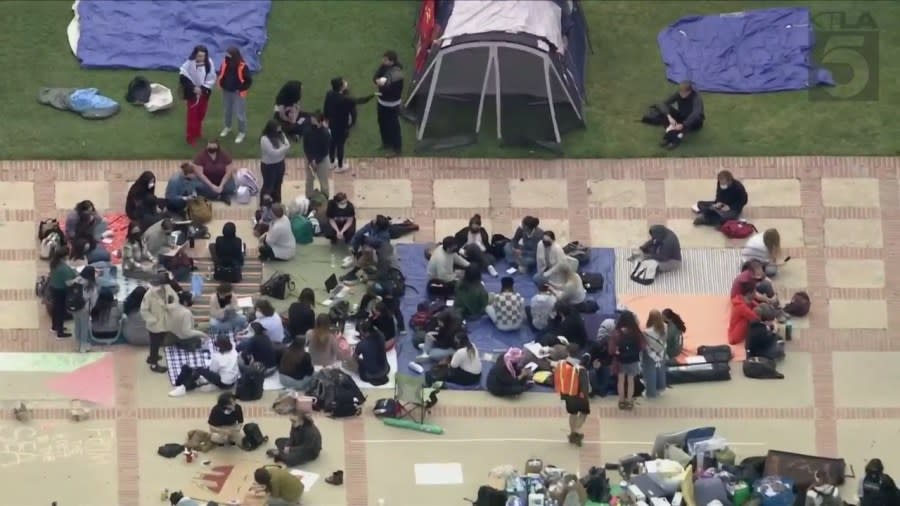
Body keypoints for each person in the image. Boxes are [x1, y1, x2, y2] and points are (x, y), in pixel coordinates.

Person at [323, 77, 373, 172]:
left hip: (332, 123)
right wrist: (373, 95)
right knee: (340, 144)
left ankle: (331, 161)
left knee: (332, 142)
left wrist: (326, 119)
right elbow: (360, 101)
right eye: (343, 83)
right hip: (342, 125)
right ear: (341, 87)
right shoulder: (344, 99)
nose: (346, 83)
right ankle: (340, 166)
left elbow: (325, 107)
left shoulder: (329, 94)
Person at [169, 337, 240, 397]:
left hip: (224, 383)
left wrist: (205, 372)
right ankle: (187, 384)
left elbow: (213, 370)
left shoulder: (218, 357)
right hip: (232, 381)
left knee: (199, 370)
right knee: (199, 371)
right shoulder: (234, 351)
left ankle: (183, 388)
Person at [178, 45, 216, 145]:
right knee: (192, 116)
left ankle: (198, 132)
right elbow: (183, 76)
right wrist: (193, 88)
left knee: (201, 114)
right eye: (199, 56)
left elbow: (211, 78)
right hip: (192, 94)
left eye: (203, 56)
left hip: (204, 93)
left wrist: (202, 89)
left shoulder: (209, 63)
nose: (201, 58)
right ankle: (190, 136)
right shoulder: (189, 63)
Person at [554, 343, 591, 446]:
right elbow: (584, 385)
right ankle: (576, 432)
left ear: (567, 351)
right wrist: (586, 395)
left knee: (573, 413)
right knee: (584, 413)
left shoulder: (561, 363)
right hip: (579, 394)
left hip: (566, 393)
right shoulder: (580, 368)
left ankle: (572, 433)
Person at [140, 272, 178, 373]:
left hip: (165, 322)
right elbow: (144, 309)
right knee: (155, 344)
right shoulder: (149, 294)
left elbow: (174, 300)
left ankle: (153, 356)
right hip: (155, 324)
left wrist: (170, 307)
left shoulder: (167, 289)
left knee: (160, 341)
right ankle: (153, 364)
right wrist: (152, 319)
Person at [610, 311, 644, 410]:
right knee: (631, 381)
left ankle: (621, 401)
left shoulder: (616, 333)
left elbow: (611, 350)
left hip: (620, 360)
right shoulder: (636, 332)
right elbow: (642, 346)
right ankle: (629, 401)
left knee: (620, 381)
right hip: (633, 360)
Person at [218, 47, 252, 144]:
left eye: (229, 54)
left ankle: (242, 132)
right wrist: (222, 84)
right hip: (226, 91)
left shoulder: (243, 66)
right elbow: (221, 73)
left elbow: (248, 80)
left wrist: (240, 88)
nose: (226, 56)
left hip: (238, 93)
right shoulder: (225, 62)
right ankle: (227, 127)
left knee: (240, 113)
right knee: (227, 110)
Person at [373, 50, 404, 156]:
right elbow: (375, 77)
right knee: (382, 123)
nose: (383, 61)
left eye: (385, 60)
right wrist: (378, 81)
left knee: (393, 126)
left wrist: (382, 85)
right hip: (382, 102)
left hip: (392, 104)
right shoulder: (384, 67)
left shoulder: (397, 75)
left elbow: (394, 91)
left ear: (392, 61)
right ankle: (386, 143)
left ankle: (397, 149)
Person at [660, 81, 704, 149]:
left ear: (689, 92)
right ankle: (670, 133)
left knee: (693, 119)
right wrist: (669, 117)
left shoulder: (696, 98)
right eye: (680, 92)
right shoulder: (679, 93)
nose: (681, 94)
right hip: (683, 114)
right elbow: (663, 104)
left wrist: (683, 124)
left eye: (683, 93)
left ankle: (675, 139)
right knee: (665, 112)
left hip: (694, 121)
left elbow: (696, 113)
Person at [190, 139, 237, 203]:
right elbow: (200, 174)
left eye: (213, 148)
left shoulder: (224, 154)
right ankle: (219, 196)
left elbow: (228, 172)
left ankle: (220, 195)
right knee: (208, 191)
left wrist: (221, 185)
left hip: (221, 178)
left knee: (231, 187)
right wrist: (212, 186)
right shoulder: (200, 156)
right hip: (206, 180)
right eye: (209, 147)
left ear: (217, 148)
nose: (211, 149)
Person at [48, 246, 77, 338]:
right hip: (61, 290)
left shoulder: (54, 263)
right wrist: (76, 280)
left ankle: (55, 326)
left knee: (55, 309)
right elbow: (68, 283)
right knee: (60, 311)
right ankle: (60, 332)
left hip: (53, 287)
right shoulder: (63, 268)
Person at [259, 120, 290, 205]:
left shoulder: (281, 135)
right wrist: (284, 149)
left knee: (278, 184)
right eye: (277, 128)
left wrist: (281, 149)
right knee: (268, 186)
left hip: (280, 164)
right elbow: (273, 153)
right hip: (269, 166)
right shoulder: (264, 139)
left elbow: (288, 145)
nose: (279, 130)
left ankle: (277, 203)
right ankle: (264, 204)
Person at [303, 111, 332, 198]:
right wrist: (311, 160)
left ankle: (325, 199)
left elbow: (325, 150)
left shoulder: (326, 133)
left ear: (319, 121)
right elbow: (306, 146)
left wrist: (316, 160)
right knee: (309, 181)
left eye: (314, 119)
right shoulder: (308, 130)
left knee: (324, 182)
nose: (311, 120)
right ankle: (308, 198)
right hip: (310, 159)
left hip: (322, 160)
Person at [70, 266, 99, 352]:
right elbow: (94, 299)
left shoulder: (76, 280)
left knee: (77, 325)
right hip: (84, 309)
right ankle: (83, 346)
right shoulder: (91, 285)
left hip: (74, 307)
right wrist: (91, 308)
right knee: (84, 327)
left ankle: (77, 344)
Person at [354, 320, 390, 386]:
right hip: (385, 370)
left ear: (364, 332)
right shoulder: (381, 335)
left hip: (369, 375)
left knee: (358, 362)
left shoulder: (361, 344)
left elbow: (354, 358)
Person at [641, 310, 668, 399]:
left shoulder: (646, 332)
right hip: (662, 352)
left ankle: (651, 392)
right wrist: (660, 355)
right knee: (660, 370)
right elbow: (664, 342)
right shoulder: (665, 326)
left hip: (650, 355)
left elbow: (646, 346)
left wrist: (653, 355)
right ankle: (660, 388)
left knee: (650, 372)